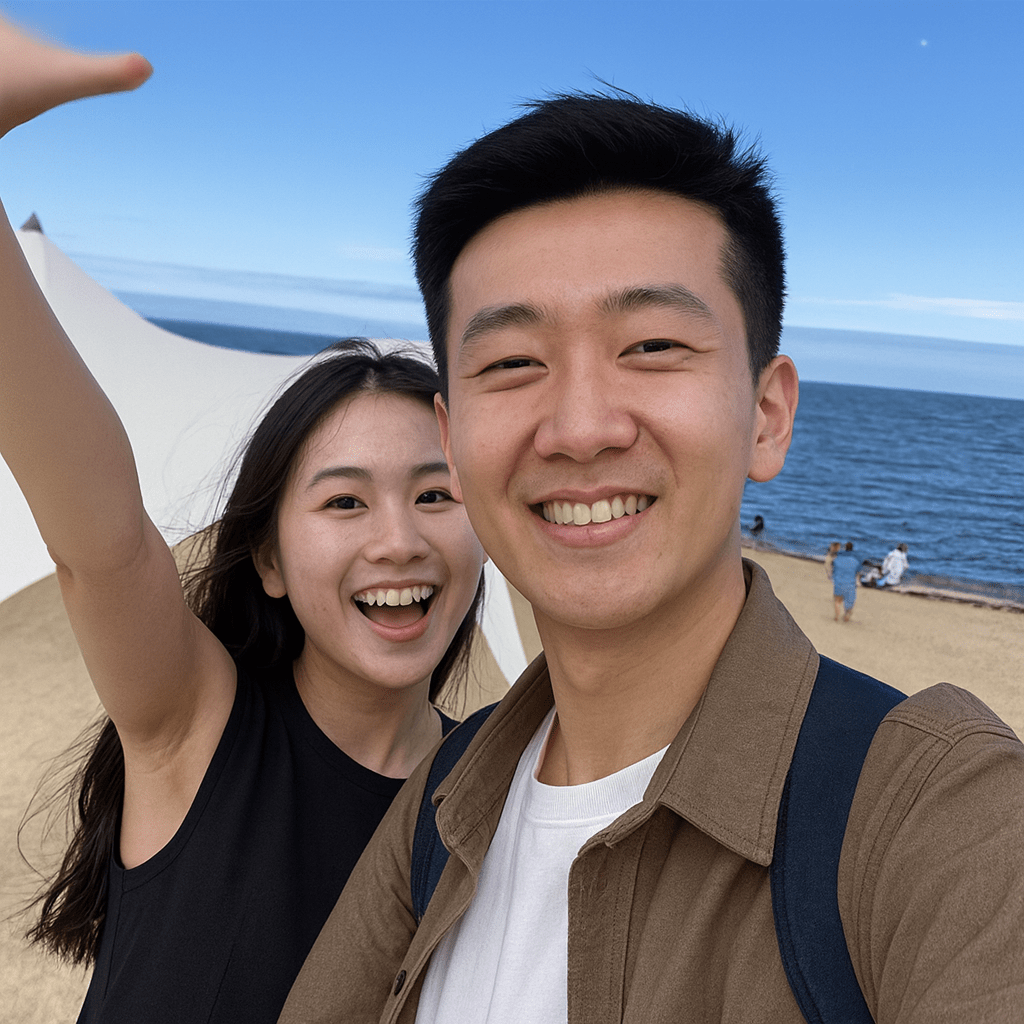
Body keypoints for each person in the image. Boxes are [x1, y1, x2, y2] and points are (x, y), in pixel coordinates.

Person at [280, 89, 1024, 1022]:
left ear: (766, 414)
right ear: (453, 438)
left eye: (654, 345)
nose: (581, 427)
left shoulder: (936, 812)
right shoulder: (444, 801)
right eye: (511, 362)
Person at [0, 23, 487, 1024]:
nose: (398, 538)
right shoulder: (198, 724)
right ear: (266, 556)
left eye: (436, 494)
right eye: (344, 499)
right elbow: (103, 537)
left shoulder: (493, 784)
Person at [831, 541, 861, 622]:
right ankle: (846, 615)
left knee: (837, 601)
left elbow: (834, 570)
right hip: (850, 583)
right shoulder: (855, 561)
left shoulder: (837, 559)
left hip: (839, 582)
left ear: (845, 548)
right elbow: (857, 573)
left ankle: (837, 616)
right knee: (850, 601)